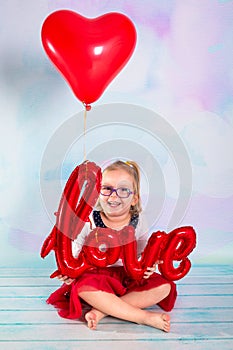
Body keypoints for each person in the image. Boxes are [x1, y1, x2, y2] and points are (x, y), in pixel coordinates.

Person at [47, 160, 177, 332]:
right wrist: (68, 272)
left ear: (134, 198)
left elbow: (143, 253)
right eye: (107, 188)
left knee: (164, 287)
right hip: (95, 278)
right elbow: (74, 252)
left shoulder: (139, 220)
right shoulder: (89, 220)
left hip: (128, 276)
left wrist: (149, 268)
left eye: (123, 190)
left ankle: (102, 311)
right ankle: (142, 317)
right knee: (84, 288)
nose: (114, 196)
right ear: (98, 193)